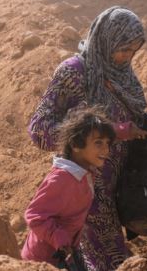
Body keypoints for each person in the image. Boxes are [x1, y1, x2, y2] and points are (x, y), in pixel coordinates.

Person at [28, 6, 147, 271]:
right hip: (80, 192)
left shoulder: (124, 77)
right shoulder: (74, 72)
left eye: (133, 51)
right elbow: (38, 129)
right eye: (123, 49)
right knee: (109, 261)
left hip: (114, 192)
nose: (127, 57)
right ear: (106, 40)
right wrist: (106, 132)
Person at [22, 107, 116, 267]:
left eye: (107, 143)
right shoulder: (62, 179)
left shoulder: (85, 173)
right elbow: (34, 215)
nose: (106, 149)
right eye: (98, 143)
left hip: (64, 253)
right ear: (75, 144)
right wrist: (59, 238)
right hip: (43, 260)